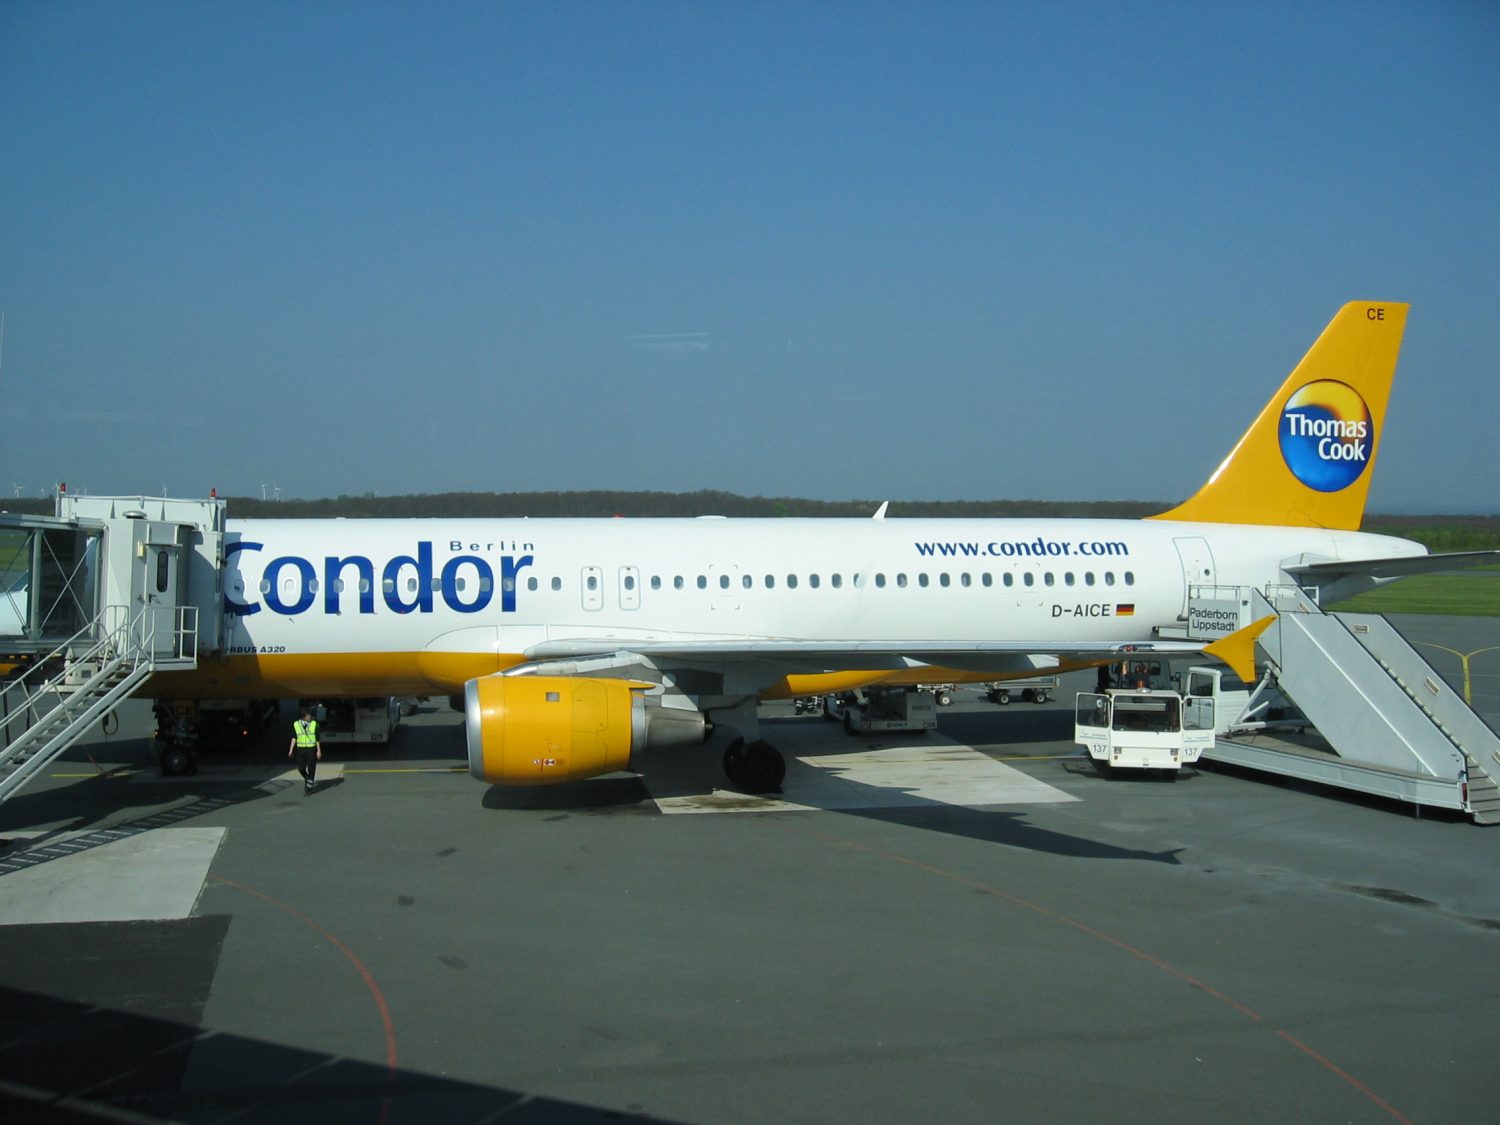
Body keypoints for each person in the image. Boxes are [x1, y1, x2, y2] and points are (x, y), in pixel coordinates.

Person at [289, 708, 321, 792]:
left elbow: (317, 738)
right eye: (308, 715)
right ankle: (307, 778)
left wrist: (319, 750)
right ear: (303, 717)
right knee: (301, 768)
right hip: (301, 749)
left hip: (311, 748)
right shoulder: (296, 724)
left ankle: (308, 787)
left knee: (311, 768)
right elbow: (294, 737)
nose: (310, 717)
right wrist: (291, 749)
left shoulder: (314, 724)